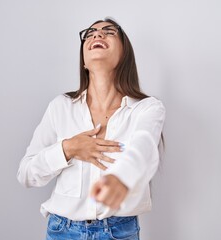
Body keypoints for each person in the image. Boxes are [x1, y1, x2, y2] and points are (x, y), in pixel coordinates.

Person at [17, 18, 165, 240]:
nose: (97, 35)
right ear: (84, 61)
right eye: (90, 33)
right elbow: (26, 174)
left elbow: (144, 149)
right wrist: (68, 149)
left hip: (119, 232)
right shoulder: (61, 106)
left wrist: (121, 179)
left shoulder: (147, 108)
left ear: (125, 54)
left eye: (108, 32)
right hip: (61, 232)